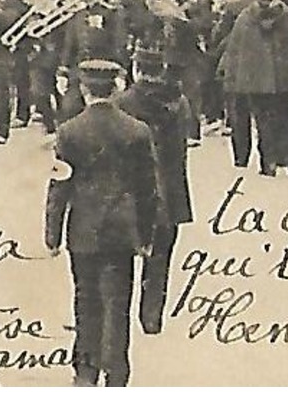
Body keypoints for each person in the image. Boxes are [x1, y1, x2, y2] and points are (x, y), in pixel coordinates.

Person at [44, 60, 160, 387]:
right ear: (116, 88)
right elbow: (148, 190)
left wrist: (52, 234)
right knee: (118, 301)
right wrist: (146, 234)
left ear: (83, 90)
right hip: (122, 230)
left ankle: (85, 370)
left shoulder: (69, 132)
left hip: (82, 229)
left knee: (85, 298)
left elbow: (59, 185)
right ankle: (117, 372)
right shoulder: (137, 130)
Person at [114, 50, 194, 335]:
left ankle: (120, 316)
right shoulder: (180, 102)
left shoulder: (122, 103)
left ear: (137, 69)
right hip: (170, 192)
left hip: (131, 192)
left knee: (120, 261)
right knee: (160, 259)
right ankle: (151, 317)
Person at [214, 0, 288, 176]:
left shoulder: (245, 17)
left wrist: (236, 80)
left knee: (263, 122)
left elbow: (237, 50)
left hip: (255, 81)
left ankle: (268, 163)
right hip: (284, 80)